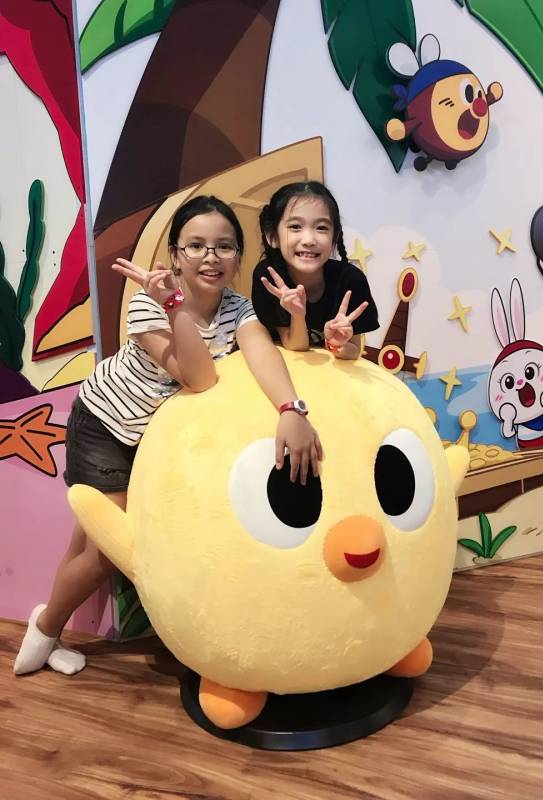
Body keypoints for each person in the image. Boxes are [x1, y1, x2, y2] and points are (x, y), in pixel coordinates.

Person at [14, 195, 322, 676]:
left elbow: (263, 353)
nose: (210, 257)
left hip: (156, 438)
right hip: (106, 425)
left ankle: (49, 629)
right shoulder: (147, 304)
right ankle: (46, 627)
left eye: (224, 246)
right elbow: (199, 377)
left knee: (87, 542)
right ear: (176, 255)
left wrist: (291, 409)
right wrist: (174, 305)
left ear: (238, 256)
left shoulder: (238, 307)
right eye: (196, 246)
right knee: (103, 551)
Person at [252, 181, 379, 358]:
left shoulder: (351, 280)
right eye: (295, 227)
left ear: (334, 237)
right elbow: (294, 345)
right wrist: (297, 316)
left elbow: (354, 350)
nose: (309, 240)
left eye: (321, 228)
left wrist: (336, 344)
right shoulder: (268, 277)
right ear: (272, 236)